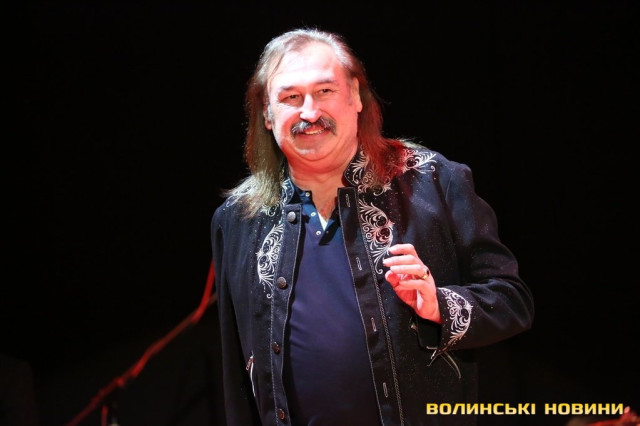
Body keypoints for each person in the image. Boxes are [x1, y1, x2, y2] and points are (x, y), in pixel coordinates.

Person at [211, 27, 534, 426]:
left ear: (356, 96)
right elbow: (236, 372)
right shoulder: (239, 217)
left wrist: (438, 304)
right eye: (290, 97)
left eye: (324, 91)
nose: (309, 112)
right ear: (267, 113)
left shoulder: (433, 181)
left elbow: (512, 301)